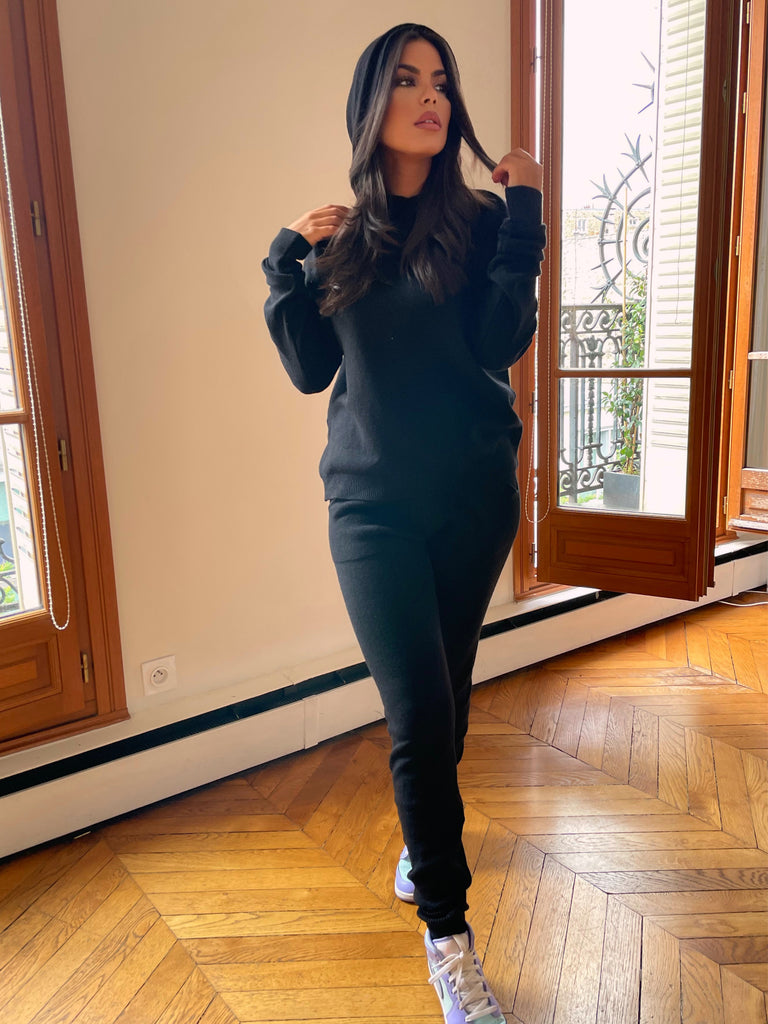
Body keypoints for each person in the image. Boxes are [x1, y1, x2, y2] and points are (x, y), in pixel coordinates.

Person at [262, 22, 545, 1024]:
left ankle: (422, 849)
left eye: (441, 82)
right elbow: (310, 370)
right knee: (418, 715)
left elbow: (502, 338)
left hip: (472, 498)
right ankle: (449, 938)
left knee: (449, 701)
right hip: (370, 505)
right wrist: (283, 259)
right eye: (408, 80)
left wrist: (528, 211)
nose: (431, 96)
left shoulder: (480, 219)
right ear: (371, 102)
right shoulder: (340, 238)